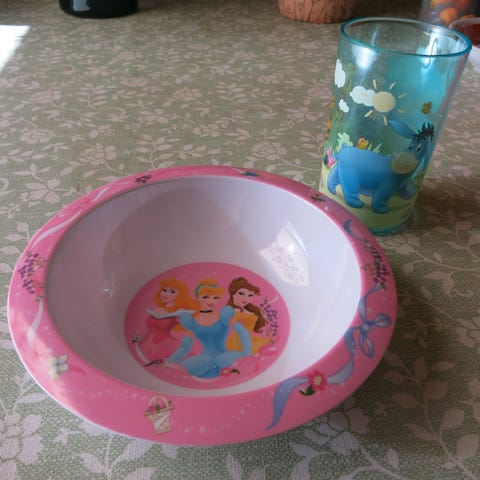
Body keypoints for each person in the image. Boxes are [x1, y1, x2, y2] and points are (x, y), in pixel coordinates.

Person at [166, 279, 252, 378]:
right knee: (190, 367)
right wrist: (169, 363)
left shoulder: (223, 315)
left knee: (222, 360)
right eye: (205, 297)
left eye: (215, 298)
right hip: (203, 360)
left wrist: (247, 355)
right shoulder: (191, 321)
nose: (211, 301)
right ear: (198, 298)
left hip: (225, 358)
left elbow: (243, 332)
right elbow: (185, 347)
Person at [225, 277, 271, 355]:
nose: (246, 298)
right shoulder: (233, 311)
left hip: (248, 339)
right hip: (238, 342)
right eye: (241, 294)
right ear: (233, 293)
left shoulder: (247, 309)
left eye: (250, 295)